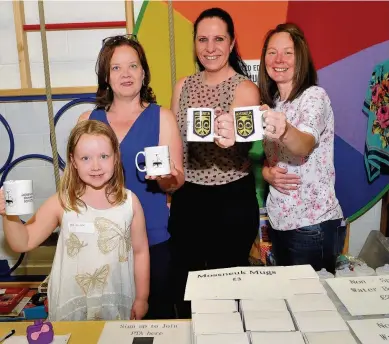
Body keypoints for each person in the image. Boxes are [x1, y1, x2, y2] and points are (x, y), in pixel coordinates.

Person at [78, 34, 184, 319]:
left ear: (144, 72)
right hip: (101, 244)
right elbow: (75, 185)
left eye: (133, 66)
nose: (126, 74)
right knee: (104, 324)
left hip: (152, 240)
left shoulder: (162, 118)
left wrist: (165, 178)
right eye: (116, 67)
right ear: (106, 77)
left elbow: (177, 181)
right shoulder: (88, 120)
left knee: (154, 323)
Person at [0, 120, 150, 321]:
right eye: (86, 158)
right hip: (72, 305)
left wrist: (142, 298)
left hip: (116, 303)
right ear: (73, 161)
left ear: (115, 157)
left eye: (104, 156)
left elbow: (140, 252)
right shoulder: (62, 202)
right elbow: (22, 242)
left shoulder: (130, 203)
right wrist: (8, 215)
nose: (96, 166)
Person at [169, 7, 260, 318]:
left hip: (231, 198)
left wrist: (230, 134)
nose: (210, 48)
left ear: (232, 43)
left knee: (227, 289)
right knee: (185, 283)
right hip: (187, 197)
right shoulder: (182, 86)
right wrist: (171, 188)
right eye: (203, 39)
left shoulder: (245, 89)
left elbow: (241, 142)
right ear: (194, 43)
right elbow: (176, 145)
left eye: (218, 39)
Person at [258, 23, 345, 273]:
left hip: (311, 225)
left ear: (301, 58)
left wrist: (284, 130)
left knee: (312, 308)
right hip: (279, 222)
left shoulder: (314, 97)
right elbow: (273, 158)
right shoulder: (273, 104)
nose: (279, 59)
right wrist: (266, 173)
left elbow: (304, 144)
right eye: (272, 52)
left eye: (288, 52)